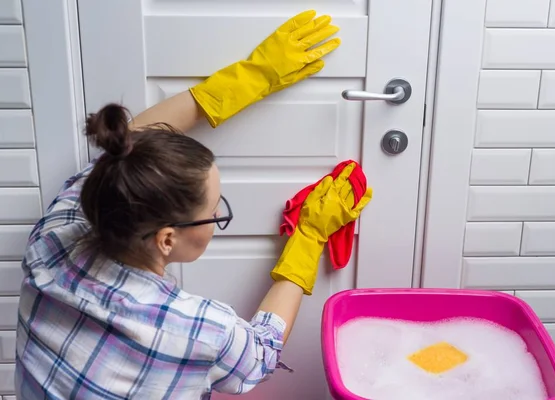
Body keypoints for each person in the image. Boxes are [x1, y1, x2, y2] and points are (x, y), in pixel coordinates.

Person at [14, 10, 372, 399]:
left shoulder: (53, 239)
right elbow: (260, 354)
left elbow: (131, 145)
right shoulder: (197, 328)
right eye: (215, 212)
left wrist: (254, 75)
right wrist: (309, 236)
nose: (217, 217)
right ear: (167, 239)